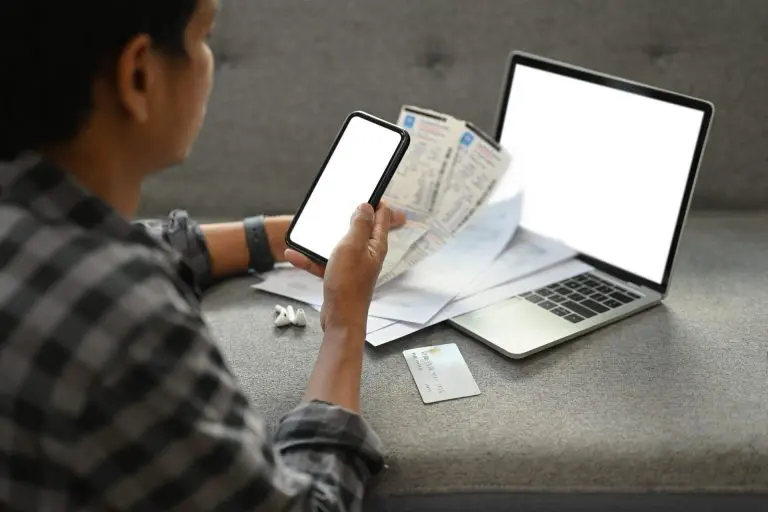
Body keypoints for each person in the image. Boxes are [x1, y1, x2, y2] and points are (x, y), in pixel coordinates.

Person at [0, 0, 407, 510]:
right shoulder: (128, 321)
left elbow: (122, 241)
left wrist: (282, 235)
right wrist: (345, 322)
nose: (208, 59)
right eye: (203, 37)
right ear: (139, 74)